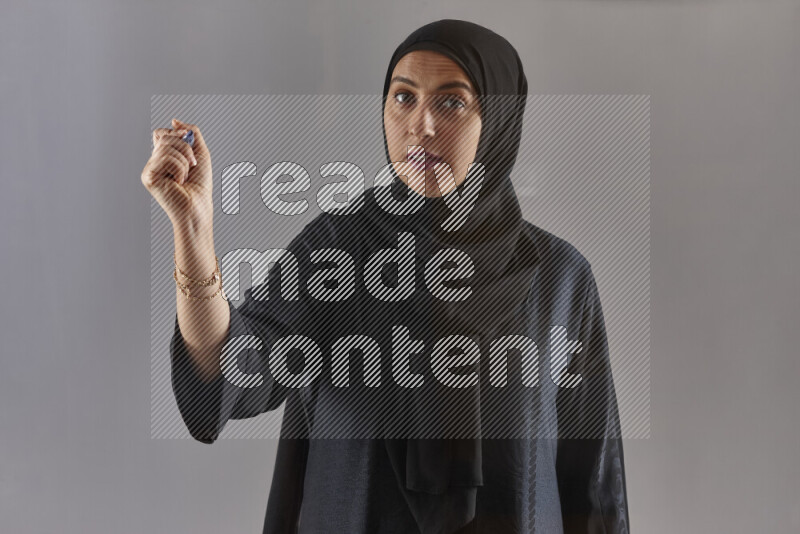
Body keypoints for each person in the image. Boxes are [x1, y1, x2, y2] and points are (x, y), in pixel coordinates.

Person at [142, 19, 630, 534]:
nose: (421, 125)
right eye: (403, 98)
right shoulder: (337, 252)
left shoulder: (560, 278)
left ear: (500, 118)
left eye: (452, 102)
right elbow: (230, 371)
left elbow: (594, 492)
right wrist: (193, 231)